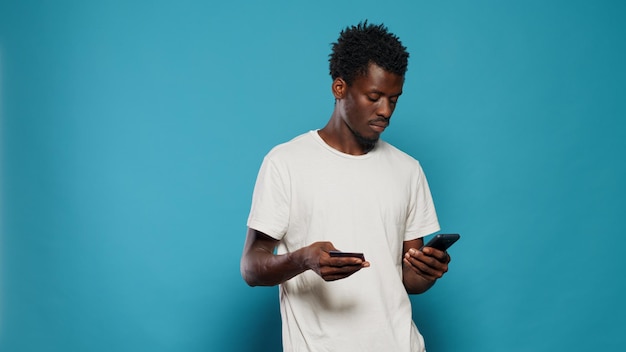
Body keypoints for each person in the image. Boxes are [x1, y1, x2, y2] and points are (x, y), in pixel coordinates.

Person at [240, 21, 452, 352]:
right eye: (374, 97)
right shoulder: (286, 162)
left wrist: (427, 270)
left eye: (394, 99)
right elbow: (252, 267)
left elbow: (409, 280)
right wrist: (303, 260)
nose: (385, 111)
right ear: (340, 88)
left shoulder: (408, 169)